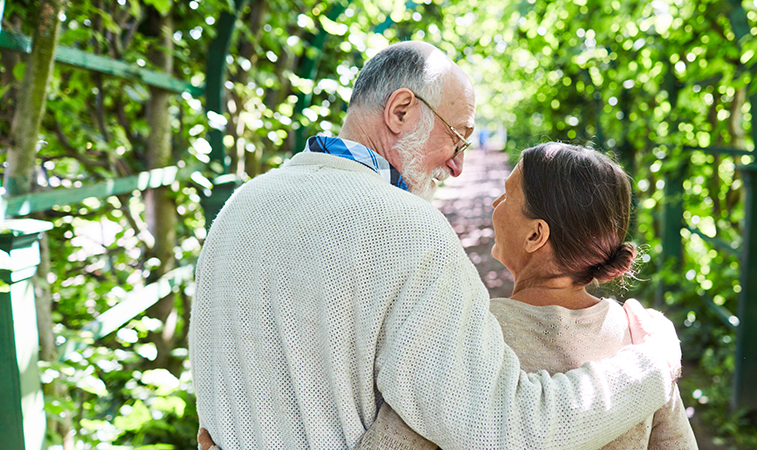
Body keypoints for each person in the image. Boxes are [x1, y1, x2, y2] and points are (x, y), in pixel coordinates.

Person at [189, 41, 682, 450]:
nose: (458, 167)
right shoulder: (408, 228)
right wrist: (652, 364)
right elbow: (503, 428)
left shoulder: (239, 206)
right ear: (402, 110)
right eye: (457, 138)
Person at [358, 143, 698, 449]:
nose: (495, 203)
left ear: (536, 234)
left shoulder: (475, 329)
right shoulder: (644, 341)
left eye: (506, 195)